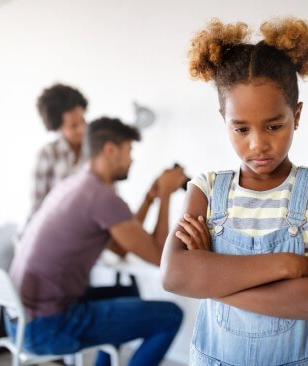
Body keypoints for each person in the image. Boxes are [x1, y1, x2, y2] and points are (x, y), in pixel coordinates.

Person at [161, 17, 308, 366]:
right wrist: (284, 265)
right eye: (240, 129)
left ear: (296, 115)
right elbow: (174, 275)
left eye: (274, 126)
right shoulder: (205, 189)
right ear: (224, 119)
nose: (258, 144)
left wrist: (210, 276)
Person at [9, 117, 185, 366]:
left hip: (22, 319)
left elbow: (121, 245)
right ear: (110, 150)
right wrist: (166, 195)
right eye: (128, 151)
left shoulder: (75, 186)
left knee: (129, 292)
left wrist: (149, 198)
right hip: (49, 326)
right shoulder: (102, 197)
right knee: (170, 316)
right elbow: (160, 257)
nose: (132, 159)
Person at [32, 83, 88, 215]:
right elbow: (38, 206)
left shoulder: (96, 151)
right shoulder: (47, 154)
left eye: (83, 120)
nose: (82, 129)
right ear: (58, 128)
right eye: (73, 126)